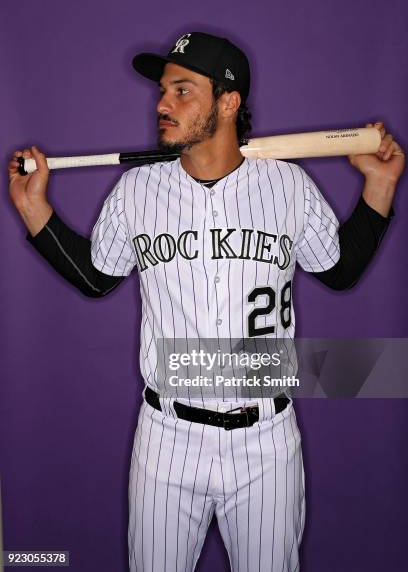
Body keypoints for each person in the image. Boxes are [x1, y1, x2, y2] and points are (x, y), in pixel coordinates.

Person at [8, 31, 405, 572]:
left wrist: (379, 186)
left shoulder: (287, 185)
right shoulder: (137, 190)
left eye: (181, 90)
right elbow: (97, 277)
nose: (162, 104)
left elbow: (339, 270)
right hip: (167, 439)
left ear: (228, 102)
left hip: (266, 442)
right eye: (162, 91)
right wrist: (35, 211)